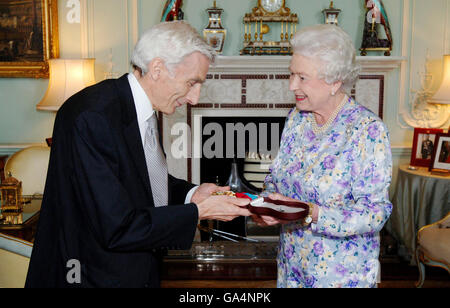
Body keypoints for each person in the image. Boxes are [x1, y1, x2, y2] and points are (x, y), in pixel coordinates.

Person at [25, 21, 251, 288]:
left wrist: (192, 194)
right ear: (157, 69)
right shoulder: (93, 116)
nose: (195, 98)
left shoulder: (138, 107)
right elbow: (117, 226)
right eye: (192, 83)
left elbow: (139, 183)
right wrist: (196, 212)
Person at [252, 24, 393, 288]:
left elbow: (375, 214)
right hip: (292, 266)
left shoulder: (367, 131)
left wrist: (312, 213)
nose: (292, 85)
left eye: (302, 77)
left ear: (334, 81)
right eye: (291, 74)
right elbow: (277, 175)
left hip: (341, 276)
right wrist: (267, 205)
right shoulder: (297, 118)